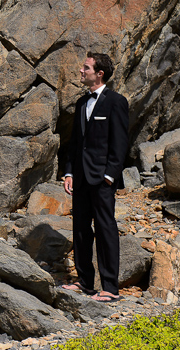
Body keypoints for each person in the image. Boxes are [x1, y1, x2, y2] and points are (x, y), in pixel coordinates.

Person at [60, 52, 129, 303]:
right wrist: (69, 172)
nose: (81, 71)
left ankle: (110, 287)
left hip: (102, 179)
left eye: (86, 67)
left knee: (105, 228)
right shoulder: (81, 103)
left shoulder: (116, 102)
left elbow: (120, 144)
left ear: (99, 73)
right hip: (79, 178)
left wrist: (110, 176)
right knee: (80, 229)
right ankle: (84, 282)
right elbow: (75, 143)